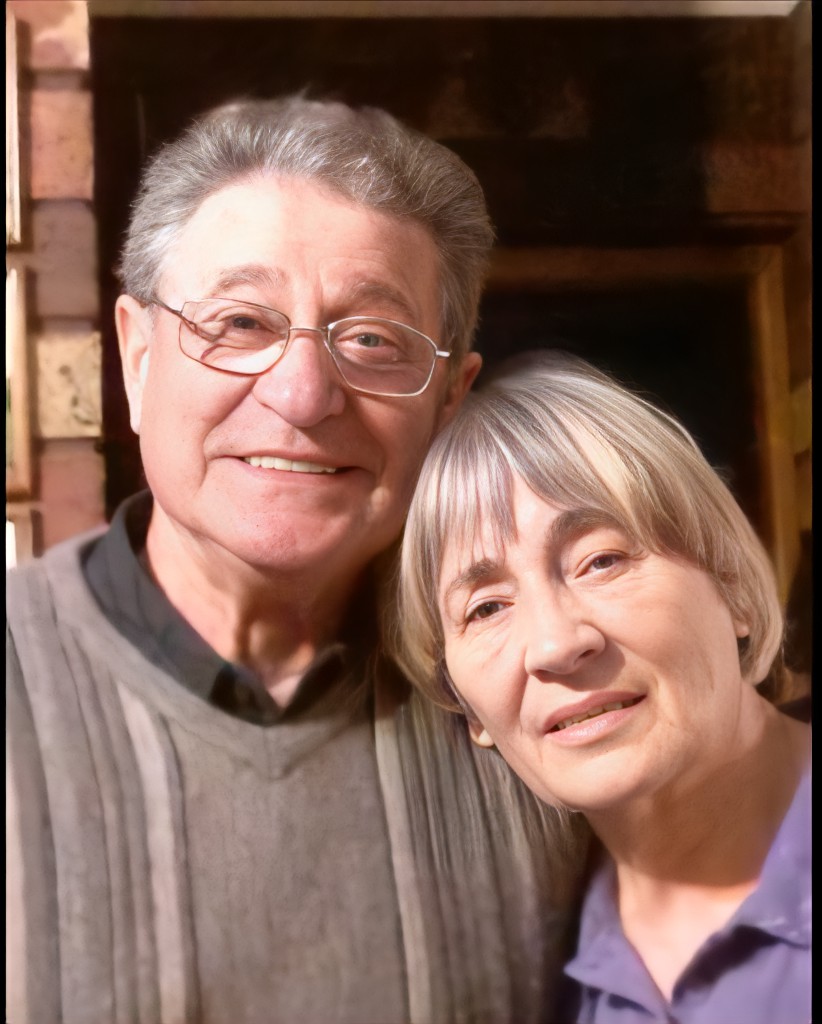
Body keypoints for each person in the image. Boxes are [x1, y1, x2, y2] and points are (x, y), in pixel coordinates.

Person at [5, 98, 587, 1024]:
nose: (304, 393)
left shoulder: (546, 693)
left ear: (449, 398)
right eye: (241, 322)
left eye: (372, 340)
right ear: (138, 357)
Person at [395, 350, 811, 1024]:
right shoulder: (534, 979)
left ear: (731, 585)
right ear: (467, 708)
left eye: (601, 560)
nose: (556, 644)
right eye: (487, 608)